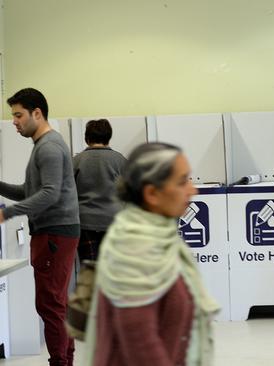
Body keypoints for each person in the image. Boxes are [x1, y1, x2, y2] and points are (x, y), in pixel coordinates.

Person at [84, 142, 219, 365]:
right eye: (182, 181)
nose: (192, 190)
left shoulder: (159, 237)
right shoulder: (134, 247)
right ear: (152, 193)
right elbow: (139, 340)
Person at [0, 88, 80, 366]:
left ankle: (60, 361)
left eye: (19, 115)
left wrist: (6, 213)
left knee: (49, 305)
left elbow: (49, 194)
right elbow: (28, 190)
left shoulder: (48, 147)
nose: (15, 122)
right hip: (57, 232)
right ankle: (65, 359)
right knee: (57, 303)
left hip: (54, 232)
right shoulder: (46, 145)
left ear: (38, 113)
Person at [73, 119, 127, 261]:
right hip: (114, 222)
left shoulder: (76, 161)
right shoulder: (120, 161)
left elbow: (66, 194)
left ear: (86, 138)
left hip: (84, 223)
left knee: (90, 272)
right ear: (108, 137)